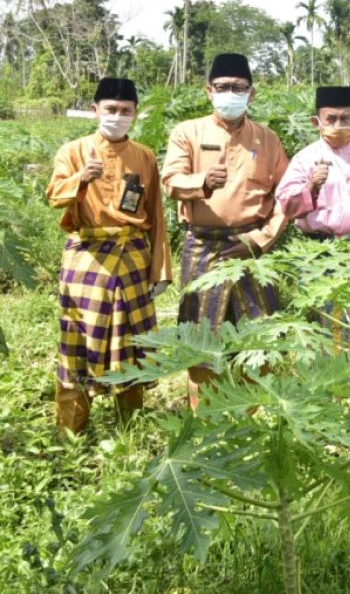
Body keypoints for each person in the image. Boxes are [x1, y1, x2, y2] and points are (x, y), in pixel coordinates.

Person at [161, 53, 289, 407]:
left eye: (238, 87)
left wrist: (259, 240)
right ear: (208, 91)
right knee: (202, 342)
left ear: (252, 94)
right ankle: (204, 420)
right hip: (204, 246)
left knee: (260, 338)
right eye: (222, 87)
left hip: (252, 247)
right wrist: (200, 181)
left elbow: (287, 197)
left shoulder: (268, 139)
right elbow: (170, 180)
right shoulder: (188, 132)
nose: (230, 93)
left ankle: (252, 417)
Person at [46, 78, 171, 432]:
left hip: (132, 256)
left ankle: (130, 426)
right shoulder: (73, 151)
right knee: (77, 340)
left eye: (125, 111)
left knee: (131, 342)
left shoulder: (144, 156)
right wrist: (81, 179)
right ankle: (72, 430)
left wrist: (160, 269)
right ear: (95, 110)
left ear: (135, 113)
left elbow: (157, 214)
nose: (117, 116)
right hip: (86, 257)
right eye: (111, 110)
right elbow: (53, 196)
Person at [276, 86, 350, 348]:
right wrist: (311, 186)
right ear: (316, 122)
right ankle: (334, 389)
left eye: (345, 118)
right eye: (331, 119)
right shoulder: (304, 159)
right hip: (323, 255)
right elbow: (285, 205)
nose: (338, 125)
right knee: (329, 338)